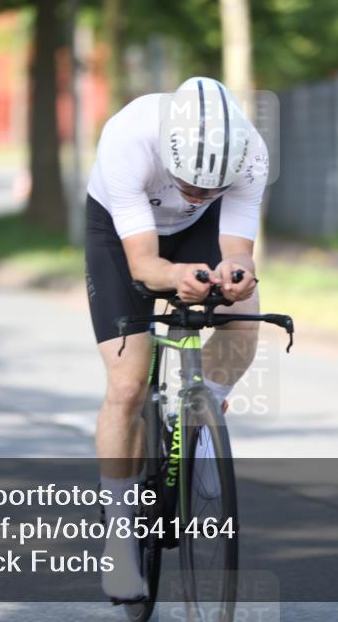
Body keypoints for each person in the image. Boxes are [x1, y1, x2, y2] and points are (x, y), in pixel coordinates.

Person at [84, 76, 268, 600]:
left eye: (209, 189)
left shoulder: (252, 153)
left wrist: (237, 275)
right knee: (127, 384)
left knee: (245, 311)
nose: (197, 196)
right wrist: (176, 278)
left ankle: (200, 417)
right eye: (189, 185)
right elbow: (144, 264)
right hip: (121, 233)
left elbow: (238, 250)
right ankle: (120, 534)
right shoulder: (128, 137)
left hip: (197, 232)